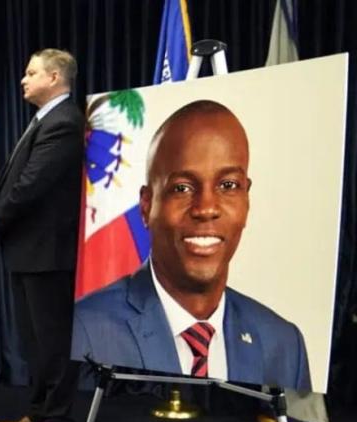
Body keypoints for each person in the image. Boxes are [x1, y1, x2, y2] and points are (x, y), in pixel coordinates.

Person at [71, 100, 311, 391]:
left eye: (228, 185)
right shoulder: (86, 331)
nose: (206, 208)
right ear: (146, 206)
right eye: (182, 188)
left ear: (247, 199)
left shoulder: (285, 344)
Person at [0, 49, 85, 422]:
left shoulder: (64, 121)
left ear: (55, 77)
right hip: (28, 248)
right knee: (34, 340)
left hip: (48, 250)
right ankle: (39, 412)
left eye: (31, 73)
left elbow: (32, 185)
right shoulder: (45, 119)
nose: (22, 79)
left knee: (54, 340)